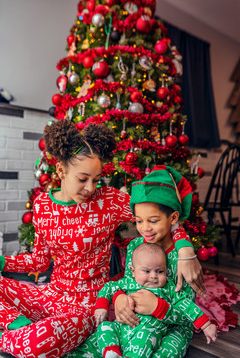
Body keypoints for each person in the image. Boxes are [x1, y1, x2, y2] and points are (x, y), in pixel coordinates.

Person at [0, 121, 199, 358]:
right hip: (50, 294)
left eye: (96, 179)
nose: (90, 188)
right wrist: (2, 262)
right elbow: (39, 262)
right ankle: (17, 325)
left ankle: (21, 333)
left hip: (88, 306)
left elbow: (161, 211)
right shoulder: (42, 205)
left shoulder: (108, 201)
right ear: (61, 170)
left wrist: (186, 249)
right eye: (83, 179)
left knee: (39, 341)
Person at [64, 165, 208, 358]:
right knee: (94, 346)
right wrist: (119, 298)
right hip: (135, 321)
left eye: (153, 221)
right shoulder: (136, 246)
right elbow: (127, 283)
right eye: (139, 221)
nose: (145, 228)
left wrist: (158, 307)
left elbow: (187, 316)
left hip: (172, 327)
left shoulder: (182, 257)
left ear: (173, 217)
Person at [94, 243, 217, 358]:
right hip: (122, 327)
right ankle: (111, 351)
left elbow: (186, 305)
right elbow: (109, 287)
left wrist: (206, 325)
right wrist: (101, 306)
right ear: (133, 271)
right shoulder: (129, 282)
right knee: (104, 327)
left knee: (143, 341)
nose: (153, 276)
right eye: (147, 271)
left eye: (159, 271)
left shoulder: (168, 288)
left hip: (149, 330)